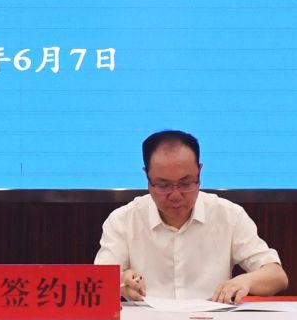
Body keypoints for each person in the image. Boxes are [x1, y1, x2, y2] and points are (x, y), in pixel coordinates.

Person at [95, 129, 287, 303]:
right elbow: (98, 282)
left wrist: (246, 281)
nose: (176, 195)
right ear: (147, 177)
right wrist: (121, 281)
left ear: (199, 173)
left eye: (186, 183)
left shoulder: (228, 215)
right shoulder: (122, 221)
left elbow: (277, 276)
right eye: (163, 185)